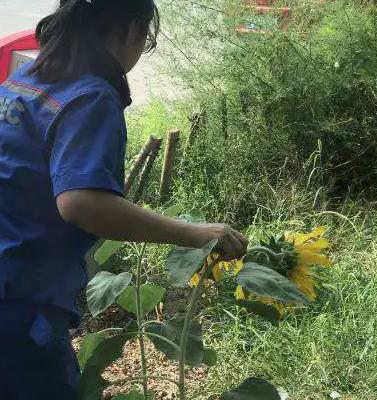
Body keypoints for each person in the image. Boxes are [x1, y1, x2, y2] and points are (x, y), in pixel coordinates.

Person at [0, 1, 249, 399]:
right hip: (18, 304)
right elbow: (82, 203)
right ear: (132, 30)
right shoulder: (90, 95)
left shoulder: (27, 77)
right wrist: (193, 234)